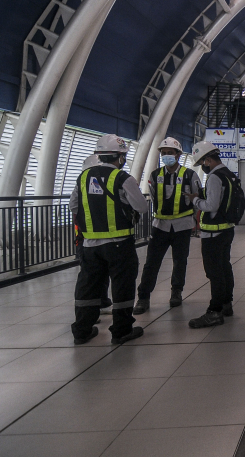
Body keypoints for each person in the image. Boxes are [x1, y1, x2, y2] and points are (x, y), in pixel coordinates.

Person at [70, 134, 149, 345]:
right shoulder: (123, 178)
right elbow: (142, 207)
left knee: (88, 286)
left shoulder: (83, 178)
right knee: (122, 286)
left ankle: (82, 330)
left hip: (89, 245)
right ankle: (121, 331)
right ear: (120, 157)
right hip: (119, 244)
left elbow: (74, 207)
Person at [133, 137, 201, 314]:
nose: (166, 156)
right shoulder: (155, 175)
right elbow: (153, 197)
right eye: (163, 153)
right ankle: (143, 297)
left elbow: (197, 199)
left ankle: (176, 292)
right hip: (160, 225)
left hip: (183, 225)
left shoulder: (190, 175)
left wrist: (196, 222)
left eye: (169, 153)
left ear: (178, 155)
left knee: (180, 261)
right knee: (151, 262)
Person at [183, 141, 237, 328]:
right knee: (224, 268)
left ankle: (214, 311)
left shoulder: (215, 177)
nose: (203, 167)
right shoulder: (229, 175)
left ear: (208, 160)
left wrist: (195, 200)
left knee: (215, 273)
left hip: (214, 233)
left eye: (202, 163)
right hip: (226, 230)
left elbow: (212, 206)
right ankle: (226, 304)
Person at [74, 154, 112, 316]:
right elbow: (74, 207)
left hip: (89, 237)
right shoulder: (84, 184)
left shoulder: (84, 184)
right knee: (90, 277)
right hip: (87, 238)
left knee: (99, 273)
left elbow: (73, 206)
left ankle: (101, 302)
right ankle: (87, 311)